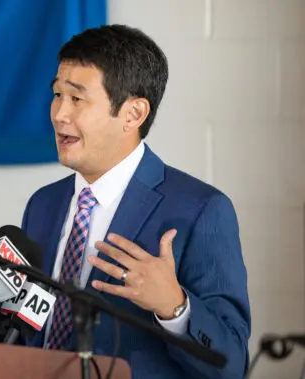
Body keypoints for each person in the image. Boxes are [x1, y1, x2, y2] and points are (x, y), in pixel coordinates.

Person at [20, 24, 251, 379]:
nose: (59, 114)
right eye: (57, 95)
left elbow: (231, 365)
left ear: (133, 114)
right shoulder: (43, 204)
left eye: (77, 98)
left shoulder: (202, 210)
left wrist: (175, 308)